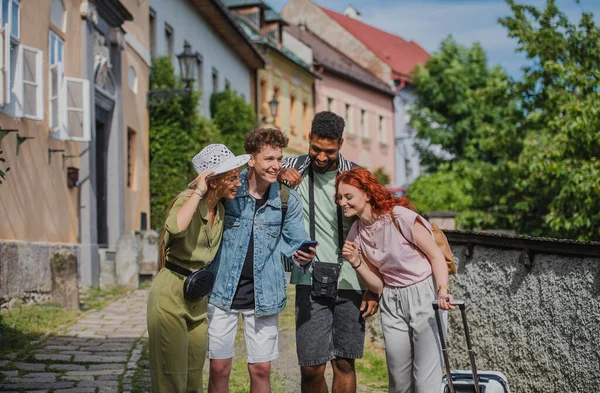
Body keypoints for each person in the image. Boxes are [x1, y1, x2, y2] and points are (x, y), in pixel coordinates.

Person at [208, 128, 317, 393]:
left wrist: (304, 253)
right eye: (269, 159)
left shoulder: (286, 198)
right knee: (218, 368)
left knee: (261, 369)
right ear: (251, 159)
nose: (276, 165)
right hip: (223, 290)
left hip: (264, 293)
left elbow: (295, 240)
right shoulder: (230, 189)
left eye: (279, 159)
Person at [278, 111, 379, 393]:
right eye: (316, 149)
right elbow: (251, 173)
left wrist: (373, 287)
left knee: (344, 363)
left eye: (329, 151)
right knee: (311, 366)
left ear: (341, 143)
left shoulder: (356, 176)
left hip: (351, 278)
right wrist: (278, 177)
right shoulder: (288, 167)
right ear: (308, 139)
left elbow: (374, 230)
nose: (321, 157)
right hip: (308, 276)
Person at [336, 167, 454, 393]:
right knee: (399, 383)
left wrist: (442, 290)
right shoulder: (357, 233)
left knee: (425, 382)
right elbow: (378, 285)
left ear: (367, 194)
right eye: (340, 197)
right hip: (391, 299)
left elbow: (436, 255)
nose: (343, 202)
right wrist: (356, 262)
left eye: (348, 196)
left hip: (424, 294)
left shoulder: (399, 217)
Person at [147, 144, 250, 393]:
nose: (239, 182)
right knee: (171, 377)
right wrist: (197, 192)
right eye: (232, 177)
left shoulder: (222, 210)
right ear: (213, 182)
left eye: (238, 176)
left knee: (194, 376)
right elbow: (176, 228)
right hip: (171, 293)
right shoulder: (186, 201)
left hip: (198, 297)